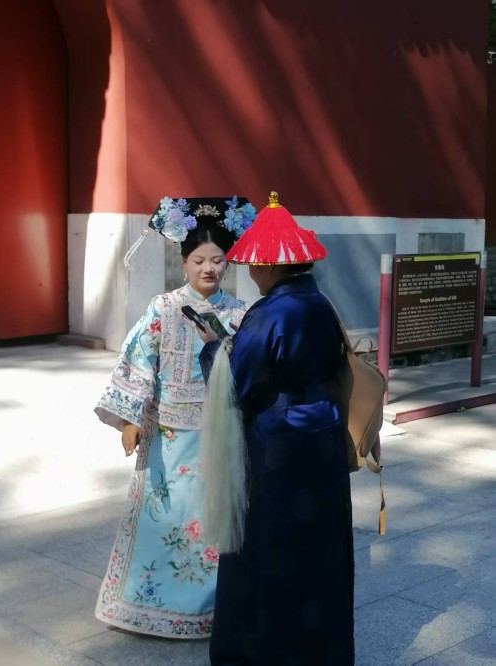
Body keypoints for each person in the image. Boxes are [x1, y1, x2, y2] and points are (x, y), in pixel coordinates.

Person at [198, 192, 355, 664]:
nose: (250, 270)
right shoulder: (320, 303)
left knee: (268, 544)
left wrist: (213, 347)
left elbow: (237, 384)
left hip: (277, 441)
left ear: (269, 265)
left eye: (253, 263)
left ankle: (262, 650)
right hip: (322, 431)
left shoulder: (269, 313)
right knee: (320, 544)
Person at [94, 196, 256, 638]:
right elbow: (139, 360)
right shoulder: (162, 308)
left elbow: (250, 373)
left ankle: (213, 608)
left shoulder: (241, 313)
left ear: (228, 263)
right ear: (183, 262)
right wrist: (131, 418)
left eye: (217, 260)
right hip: (167, 435)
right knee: (162, 517)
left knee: (214, 516)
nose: (209, 269)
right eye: (199, 260)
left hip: (220, 433)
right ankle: (147, 604)